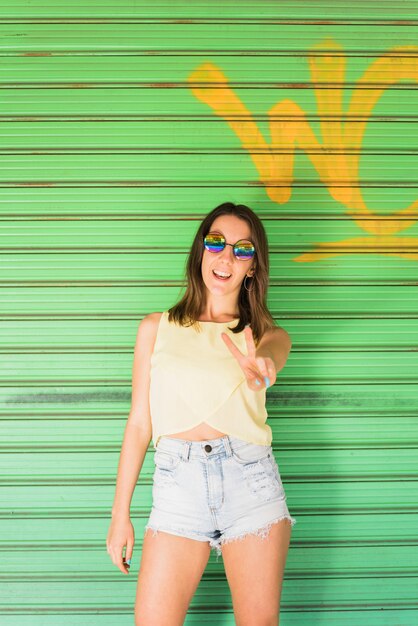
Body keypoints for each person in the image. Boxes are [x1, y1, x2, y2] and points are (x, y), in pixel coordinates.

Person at [106, 201, 296, 625]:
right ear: (201, 251)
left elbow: (274, 353)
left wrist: (264, 363)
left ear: (252, 267)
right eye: (216, 242)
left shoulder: (263, 334)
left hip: (251, 484)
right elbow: (139, 425)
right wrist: (121, 515)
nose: (226, 256)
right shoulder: (155, 328)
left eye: (242, 249)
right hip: (177, 489)